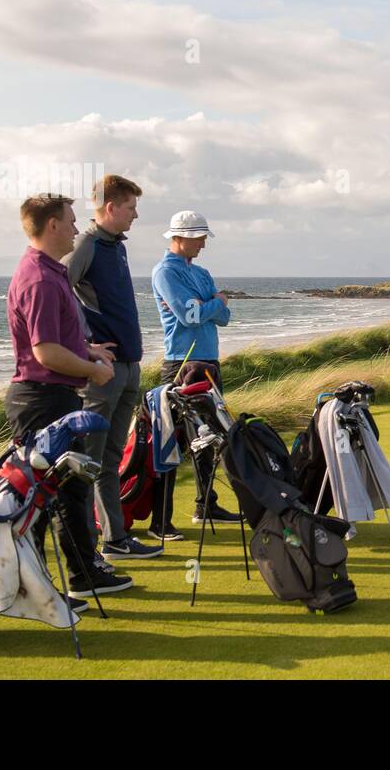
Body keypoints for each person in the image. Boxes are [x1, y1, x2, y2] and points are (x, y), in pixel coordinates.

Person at [5, 193, 134, 605]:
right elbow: (45, 352)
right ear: (52, 226)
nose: (78, 228)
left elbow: (62, 339)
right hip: (40, 400)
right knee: (40, 499)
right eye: (72, 221)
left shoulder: (51, 271)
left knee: (71, 489)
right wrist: (93, 370)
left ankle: (82, 573)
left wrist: (89, 350)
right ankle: (34, 587)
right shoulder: (40, 278)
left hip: (53, 397)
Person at [61, 174, 162, 561]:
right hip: (104, 371)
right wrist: (83, 346)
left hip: (128, 365)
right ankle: (87, 548)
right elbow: (59, 290)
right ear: (111, 208)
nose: (136, 216)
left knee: (112, 457)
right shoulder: (86, 243)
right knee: (90, 460)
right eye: (132, 208)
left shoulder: (114, 246)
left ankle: (115, 537)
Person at [148, 210, 242, 539]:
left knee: (210, 438)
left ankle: (206, 504)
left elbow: (223, 317)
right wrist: (214, 302)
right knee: (170, 442)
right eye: (199, 238)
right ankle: (160, 522)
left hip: (209, 362)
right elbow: (191, 316)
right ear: (180, 237)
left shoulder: (200, 272)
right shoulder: (164, 272)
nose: (203, 244)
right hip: (180, 364)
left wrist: (210, 305)